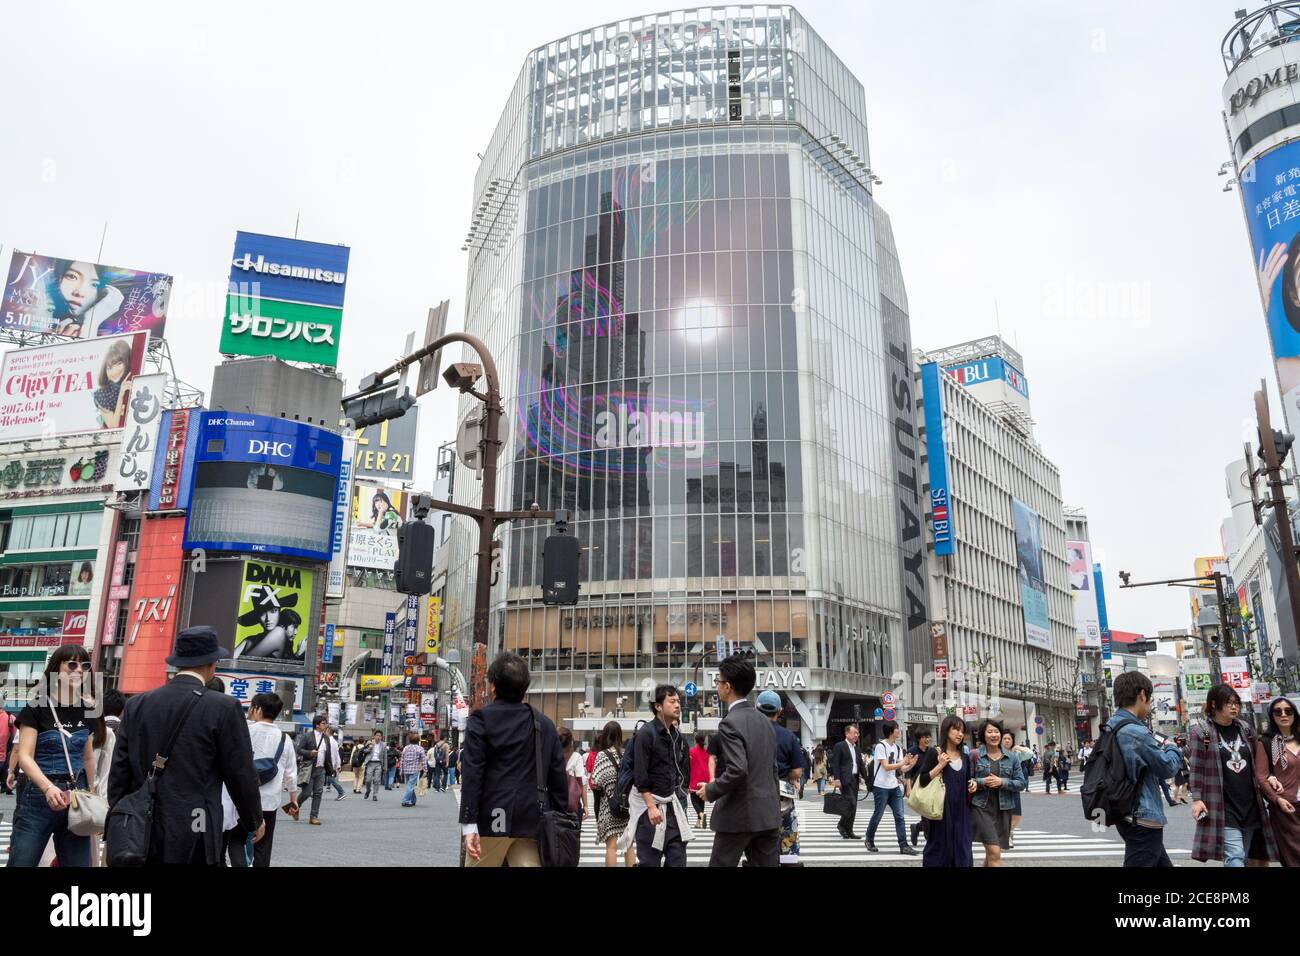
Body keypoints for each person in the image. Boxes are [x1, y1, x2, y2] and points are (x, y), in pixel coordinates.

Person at [107, 627, 264, 865]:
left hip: (144, 824)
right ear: (212, 663)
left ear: (178, 662)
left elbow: (120, 769)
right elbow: (240, 772)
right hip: (196, 822)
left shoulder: (137, 704)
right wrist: (254, 819)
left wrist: (119, 814)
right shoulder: (224, 707)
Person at [459, 653, 566, 868]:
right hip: (533, 819)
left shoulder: (482, 720)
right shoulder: (544, 724)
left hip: (492, 818)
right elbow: (558, 777)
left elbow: (473, 772)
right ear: (524, 687)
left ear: (493, 686)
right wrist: (560, 817)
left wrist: (469, 824)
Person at [6, 646, 98, 868]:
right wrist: (48, 788)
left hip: (76, 798)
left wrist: (91, 792)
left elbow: (87, 758)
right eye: (72, 664)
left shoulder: (88, 709)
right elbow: (25, 756)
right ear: (57, 667)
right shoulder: (38, 706)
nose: (79, 671)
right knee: (22, 862)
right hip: (39, 797)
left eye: (84, 666)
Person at [696, 658, 778, 867]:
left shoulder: (730, 723)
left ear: (728, 687)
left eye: (717, 681)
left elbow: (737, 769)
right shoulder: (765, 722)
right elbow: (772, 770)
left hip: (738, 815)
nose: (717, 685)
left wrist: (712, 790)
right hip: (767, 814)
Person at [1188, 684, 1278, 867]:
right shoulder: (1202, 732)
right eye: (1228, 703)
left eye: (1236, 703)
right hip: (1222, 805)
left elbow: (1259, 761)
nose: (1234, 707)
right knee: (1235, 856)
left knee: (1243, 856)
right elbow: (1196, 768)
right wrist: (1197, 799)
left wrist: (1270, 777)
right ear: (1214, 704)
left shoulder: (1245, 729)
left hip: (1249, 803)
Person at [1106, 671, 1185, 867]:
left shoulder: (1110, 726)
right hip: (1142, 814)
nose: (1148, 706)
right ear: (1142, 695)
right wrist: (1173, 748)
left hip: (1123, 810)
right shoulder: (1136, 731)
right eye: (1149, 700)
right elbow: (1167, 768)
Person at [621, 683, 693, 867]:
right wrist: (651, 806)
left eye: (678, 701)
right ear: (658, 706)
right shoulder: (646, 734)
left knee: (678, 859)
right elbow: (640, 774)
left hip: (673, 807)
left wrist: (682, 792)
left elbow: (681, 769)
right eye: (672, 701)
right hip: (650, 809)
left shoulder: (676, 736)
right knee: (649, 862)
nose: (677, 705)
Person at [227, 693, 297, 867]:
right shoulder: (285, 738)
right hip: (269, 802)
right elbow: (291, 773)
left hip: (243, 800)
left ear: (256, 709)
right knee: (263, 848)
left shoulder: (245, 731)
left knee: (236, 840)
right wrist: (293, 799)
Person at [913, 715, 974, 868]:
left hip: (962, 812)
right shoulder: (935, 753)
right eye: (956, 729)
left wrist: (973, 784)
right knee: (939, 850)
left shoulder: (965, 758)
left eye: (962, 730)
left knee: (963, 850)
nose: (960, 734)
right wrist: (940, 765)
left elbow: (967, 781)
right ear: (946, 730)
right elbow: (923, 780)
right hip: (942, 811)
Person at [970, 719, 1026, 867]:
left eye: (996, 732)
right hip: (981, 808)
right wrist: (982, 782)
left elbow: (1021, 783)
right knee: (995, 852)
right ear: (983, 735)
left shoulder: (1012, 757)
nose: (994, 735)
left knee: (990, 855)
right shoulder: (974, 755)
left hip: (1003, 809)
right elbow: (967, 780)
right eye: (990, 732)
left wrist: (1003, 782)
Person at [757, 689, 803, 867]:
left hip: (754, 796)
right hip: (781, 796)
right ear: (780, 711)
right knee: (787, 839)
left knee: (759, 841)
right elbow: (797, 771)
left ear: (757, 708)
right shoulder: (788, 736)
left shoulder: (749, 733)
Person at [1256, 695, 1300, 867]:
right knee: (1294, 855)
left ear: (1294, 714)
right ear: (1272, 716)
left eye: (1288, 711)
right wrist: (1277, 799)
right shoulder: (1269, 742)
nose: (1283, 714)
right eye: (1278, 711)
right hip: (1286, 807)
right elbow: (1261, 776)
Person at [865, 720, 918, 855]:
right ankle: (869, 839)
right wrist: (904, 762)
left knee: (900, 816)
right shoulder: (881, 746)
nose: (899, 731)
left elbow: (901, 768)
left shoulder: (898, 748)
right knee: (878, 815)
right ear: (891, 731)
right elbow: (886, 766)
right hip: (881, 787)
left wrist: (910, 764)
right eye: (897, 729)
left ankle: (903, 845)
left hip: (894, 786)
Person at [591, 721, 634, 867]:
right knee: (629, 845)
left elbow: (595, 782)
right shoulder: (626, 754)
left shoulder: (602, 756)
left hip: (609, 805)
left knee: (611, 847)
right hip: (627, 805)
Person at [296, 714, 341, 825]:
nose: (326, 725)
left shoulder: (326, 738)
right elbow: (299, 750)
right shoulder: (307, 736)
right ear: (317, 725)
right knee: (306, 793)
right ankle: (295, 807)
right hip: (309, 768)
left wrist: (331, 770)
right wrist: (309, 753)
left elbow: (328, 755)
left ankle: (313, 816)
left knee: (318, 793)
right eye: (323, 723)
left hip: (321, 770)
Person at [830, 724, 868, 839]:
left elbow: (860, 764)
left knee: (854, 805)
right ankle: (842, 825)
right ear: (847, 734)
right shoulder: (839, 746)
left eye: (857, 733)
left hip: (855, 779)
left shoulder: (856, 748)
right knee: (851, 802)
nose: (857, 735)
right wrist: (836, 779)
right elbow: (835, 763)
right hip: (844, 779)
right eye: (855, 733)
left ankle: (849, 830)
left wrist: (867, 778)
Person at [92, 337, 134, 430]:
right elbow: (113, 426)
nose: (113, 372)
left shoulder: (134, 383)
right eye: (109, 368)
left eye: (119, 364)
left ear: (127, 362)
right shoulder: (102, 394)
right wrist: (121, 395)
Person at [1003, 731, 1033, 848]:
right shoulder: (997, 753)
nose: (1006, 741)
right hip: (1002, 786)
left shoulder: (1016, 754)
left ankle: (1010, 832)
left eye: (1009, 739)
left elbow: (1030, 754)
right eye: (1004, 738)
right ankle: (1006, 835)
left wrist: (1018, 747)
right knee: (1003, 813)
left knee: (1016, 813)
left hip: (1014, 786)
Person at [908, 728, 934, 847]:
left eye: (929, 737)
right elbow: (908, 772)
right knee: (925, 813)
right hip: (918, 786)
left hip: (932, 785)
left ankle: (917, 827)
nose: (927, 739)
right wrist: (908, 788)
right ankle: (929, 841)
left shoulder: (933, 752)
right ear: (919, 738)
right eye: (925, 737)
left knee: (932, 814)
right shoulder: (911, 751)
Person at [561, 727, 589, 831]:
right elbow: (581, 782)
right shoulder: (576, 757)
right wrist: (585, 805)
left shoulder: (553, 755)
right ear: (571, 742)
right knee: (573, 838)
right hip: (573, 806)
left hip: (555, 804)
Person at [688, 730, 711, 828]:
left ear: (695, 740)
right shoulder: (707, 752)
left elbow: (688, 766)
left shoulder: (691, 751)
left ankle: (701, 815)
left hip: (694, 778)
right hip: (705, 779)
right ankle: (698, 822)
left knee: (694, 801)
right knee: (701, 800)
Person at [400, 733, 426, 807]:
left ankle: (413, 800)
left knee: (410, 785)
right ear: (418, 741)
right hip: (414, 769)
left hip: (406, 769)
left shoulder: (406, 748)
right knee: (411, 785)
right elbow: (424, 760)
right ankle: (405, 801)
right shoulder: (420, 748)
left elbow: (402, 759)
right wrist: (425, 770)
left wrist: (401, 770)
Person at [322, 725, 346, 801]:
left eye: (325, 730)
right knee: (328, 778)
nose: (324, 731)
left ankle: (341, 792)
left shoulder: (328, 740)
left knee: (330, 779)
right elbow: (337, 755)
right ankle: (314, 792)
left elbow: (332, 754)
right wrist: (338, 765)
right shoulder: (334, 742)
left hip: (327, 763)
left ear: (328, 730)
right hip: (330, 763)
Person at [363, 731, 385, 801]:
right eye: (377, 735)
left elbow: (385, 756)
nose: (378, 737)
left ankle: (375, 795)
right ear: (374, 736)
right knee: (368, 780)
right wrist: (369, 749)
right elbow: (364, 751)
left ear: (381, 737)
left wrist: (385, 767)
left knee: (377, 780)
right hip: (370, 763)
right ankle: (368, 790)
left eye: (380, 736)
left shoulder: (383, 745)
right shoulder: (370, 743)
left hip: (378, 763)